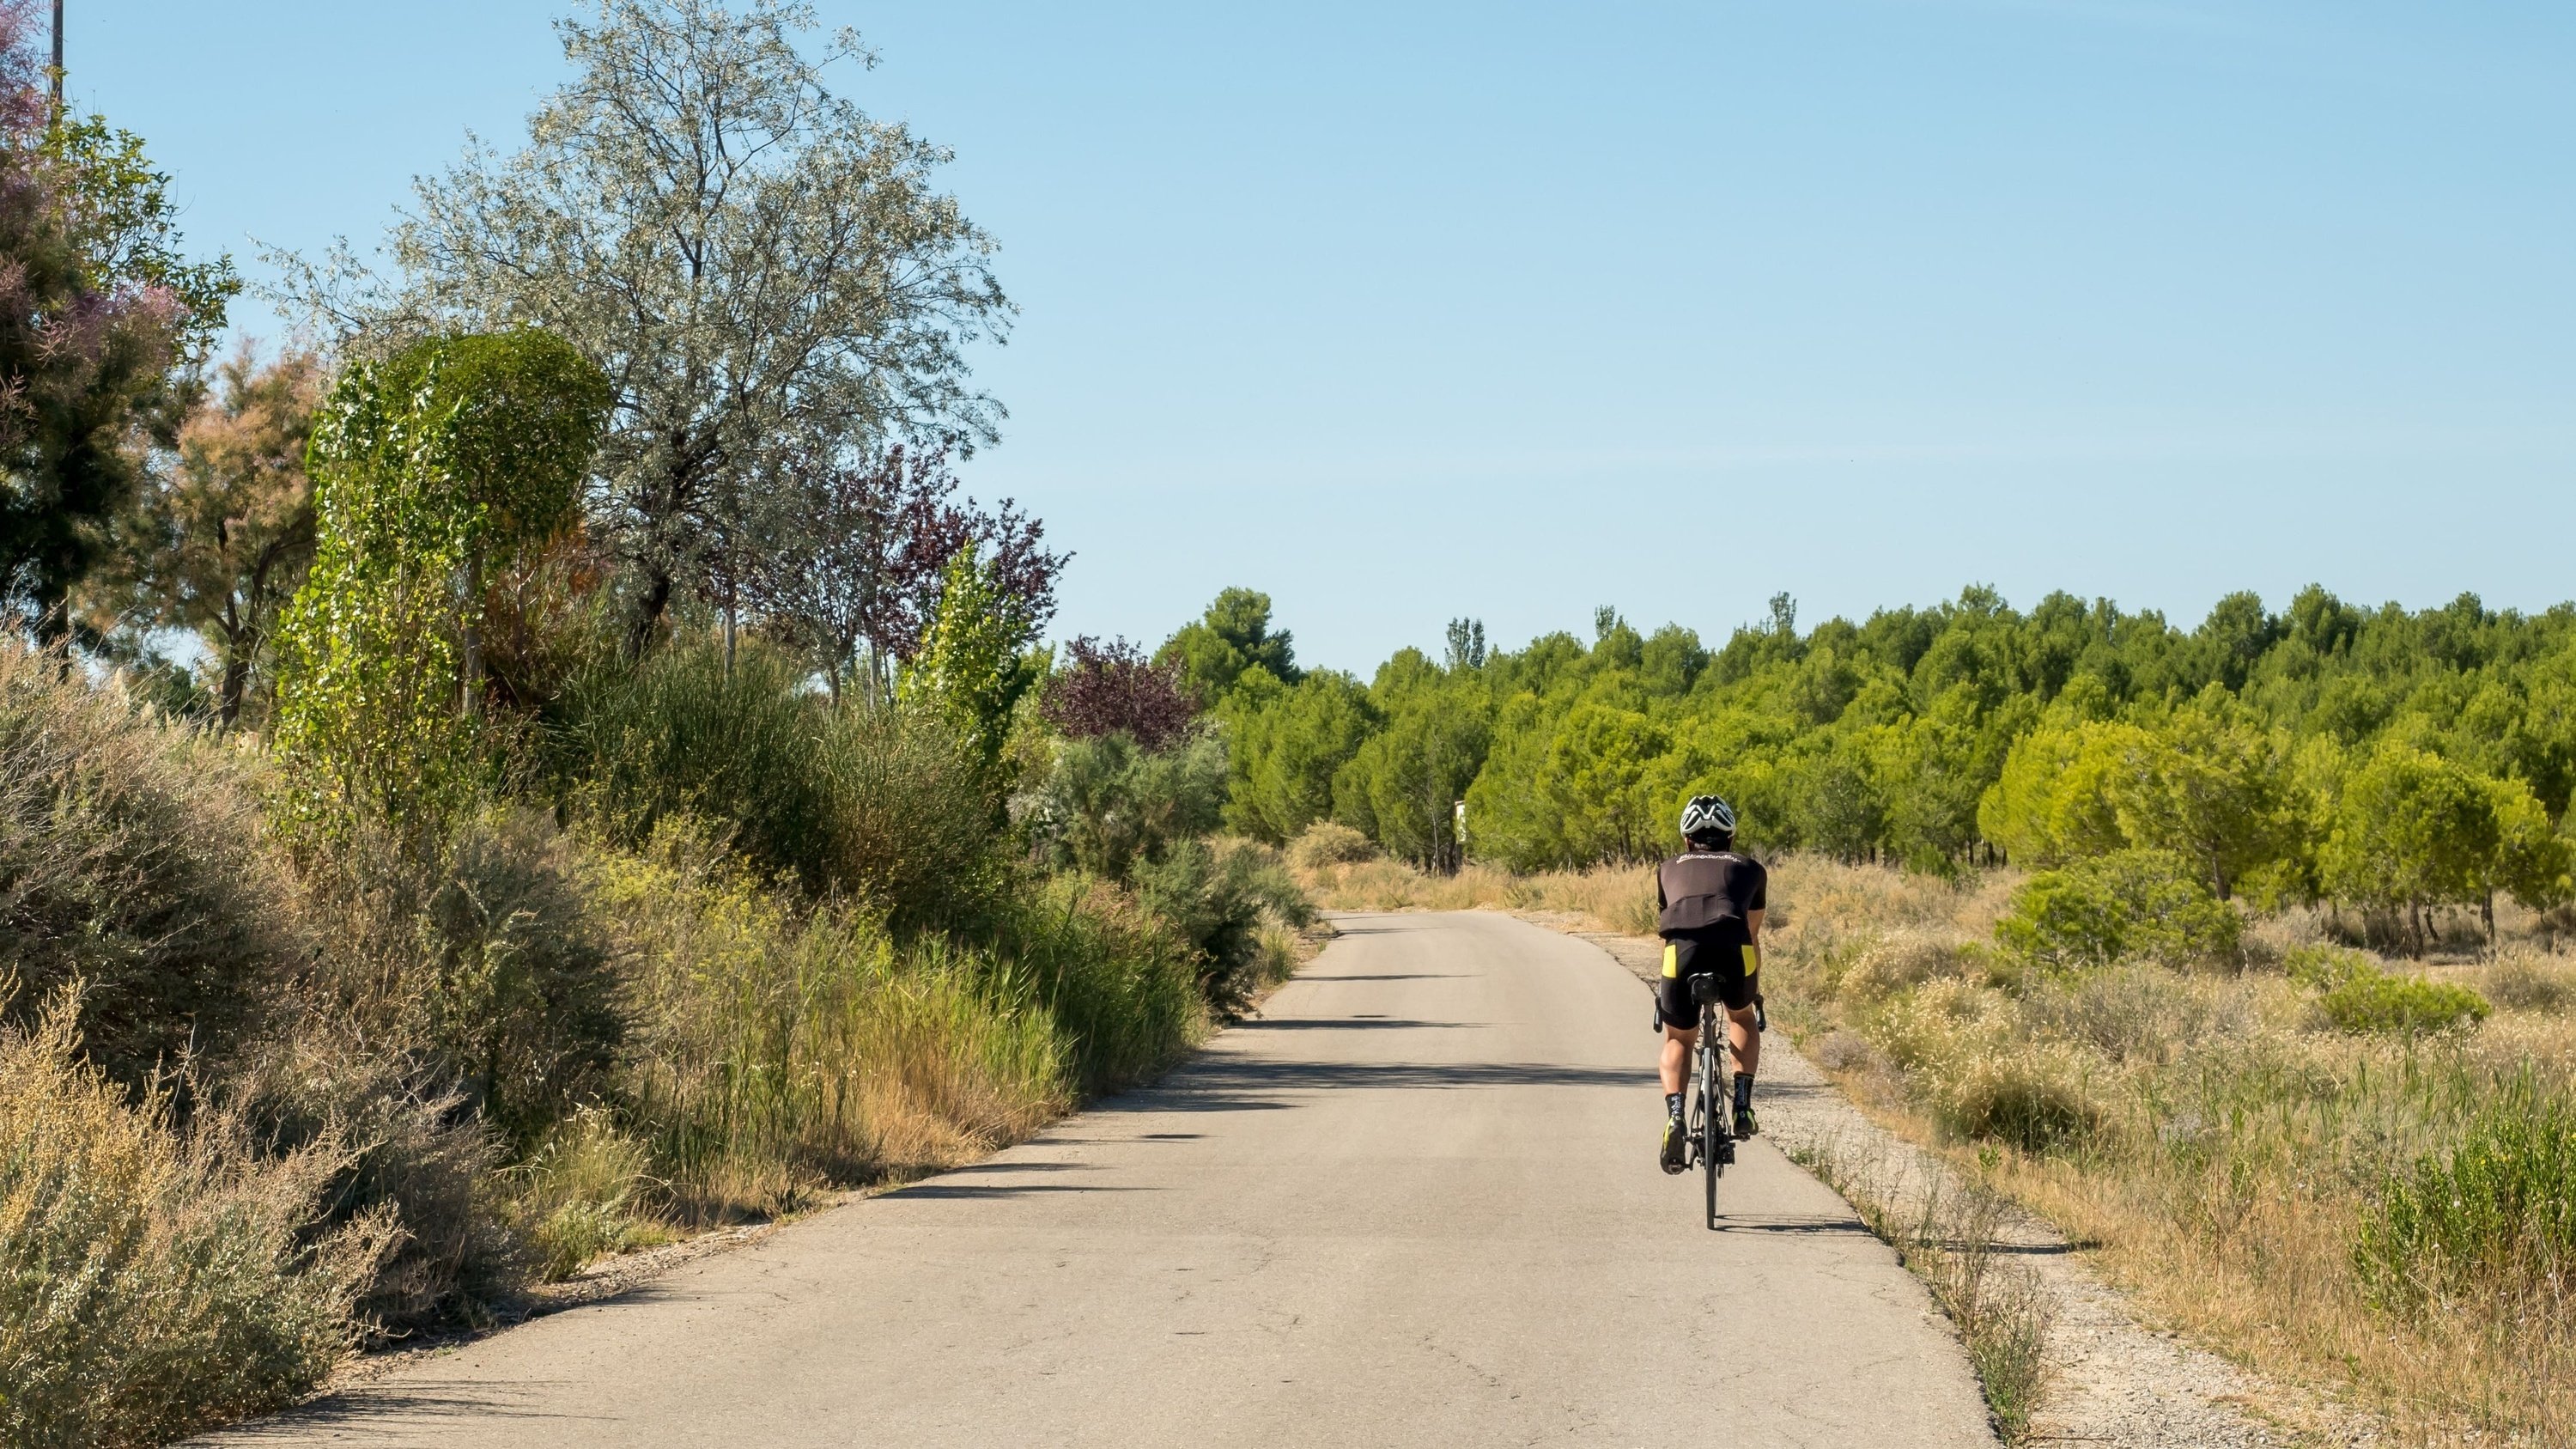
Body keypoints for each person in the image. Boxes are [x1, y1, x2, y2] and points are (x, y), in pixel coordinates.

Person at [1655, 795, 1765, 1174]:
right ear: (1731, 838)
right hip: (1734, 950)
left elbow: (1670, 930)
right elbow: (1751, 933)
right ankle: (1742, 1105)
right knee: (1742, 1017)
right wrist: (1750, 991)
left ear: (1687, 840)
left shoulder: (1667, 867)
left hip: (1680, 955)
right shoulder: (1751, 868)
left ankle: (1675, 1115)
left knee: (1677, 1039)